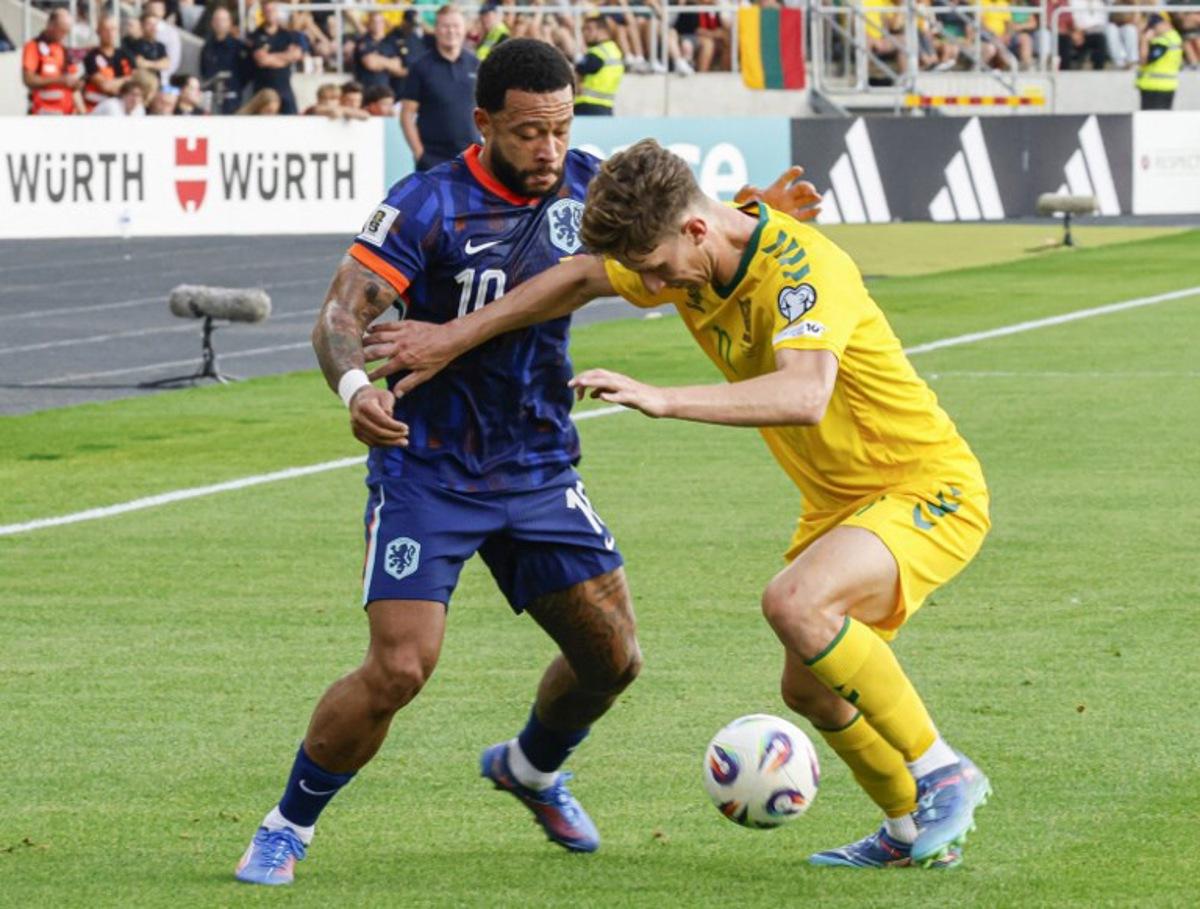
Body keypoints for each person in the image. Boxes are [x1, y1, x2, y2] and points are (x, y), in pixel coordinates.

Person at [232, 38, 819, 887]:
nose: (548, 150)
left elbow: (688, 234)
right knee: (400, 665)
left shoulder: (589, 185)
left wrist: (750, 208)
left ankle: (532, 767)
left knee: (613, 659)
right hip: (426, 467)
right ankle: (288, 823)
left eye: (559, 128)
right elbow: (337, 316)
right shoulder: (426, 205)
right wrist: (356, 387)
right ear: (483, 124)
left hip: (539, 464)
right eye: (527, 134)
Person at [365, 137, 991, 871]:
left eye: (660, 268)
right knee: (812, 690)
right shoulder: (692, 256)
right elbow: (575, 279)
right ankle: (911, 831)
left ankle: (943, 770)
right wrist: (450, 336)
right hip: (842, 504)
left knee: (794, 603)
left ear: (696, 229)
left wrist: (665, 398)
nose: (657, 285)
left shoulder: (805, 270)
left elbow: (804, 393)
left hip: (925, 486)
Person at [400, 5, 480, 171]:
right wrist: (419, 153)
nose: (451, 31)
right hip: (433, 160)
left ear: (464, 29)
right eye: (445, 26)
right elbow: (407, 114)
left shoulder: (476, 65)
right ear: (436, 30)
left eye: (456, 26)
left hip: (472, 159)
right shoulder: (420, 67)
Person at [22, 8, 81, 115]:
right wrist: (59, 80)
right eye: (62, 30)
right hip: (43, 112)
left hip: (67, 114)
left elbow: (74, 88)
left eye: (67, 31)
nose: (64, 35)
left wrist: (83, 112)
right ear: (51, 25)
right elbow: (28, 79)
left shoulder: (65, 50)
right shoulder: (33, 46)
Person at [250, 0, 303, 114]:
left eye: (272, 11)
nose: (270, 14)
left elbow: (296, 55)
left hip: (284, 88)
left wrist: (271, 57)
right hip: (264, 91)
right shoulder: (257, 35)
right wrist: (285, 58)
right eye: (267, 11)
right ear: (263, 13)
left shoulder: (287, 34)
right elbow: (262, 60)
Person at [574, 12, 624, 116]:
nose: (585, 33)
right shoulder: (614, 50)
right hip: (606, 107)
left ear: (602, 31)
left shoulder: (597, 53)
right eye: (583, 30)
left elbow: (577, 74)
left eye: (589, 29)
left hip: (587, 106)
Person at [82, 15, 134, 113]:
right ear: (98, 31)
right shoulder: (91, 56)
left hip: (124, 104)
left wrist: (116, 83)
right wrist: (126, 79)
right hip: (98, 106)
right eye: (106, 29)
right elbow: (106, 86)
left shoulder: (125, 54)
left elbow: (135, 80)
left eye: (113, 29)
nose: (110, 33)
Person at [201, 7, 247, 115]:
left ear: (229, 23)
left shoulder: (238, 46)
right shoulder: (207, 47)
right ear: (212, 23)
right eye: (217, 20)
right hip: (211, 97)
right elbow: (203, 69)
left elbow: (246, 72)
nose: (219, 23)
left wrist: (235, 85)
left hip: (231, 97)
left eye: (223, 20)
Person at [1137, 13, 1183, 109]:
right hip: (1164, 85)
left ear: (1163, 24)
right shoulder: (1174, 37)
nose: (1153, 29)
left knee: (1152, 120)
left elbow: (1144, 60)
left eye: (1154, 26)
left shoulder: (1163, 41)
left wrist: (1144, 40)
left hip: (1156, 87)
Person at [354, 12, 406, 90]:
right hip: (366, 88)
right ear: (369, 24)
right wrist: (389, 62)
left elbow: (397, 67)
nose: (377, 25)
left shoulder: (390, 42)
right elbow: (370, 63)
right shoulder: (363, 41)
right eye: (374, 22)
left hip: (385, 89)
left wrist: (379, 60)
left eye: (380, 22)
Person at [129, 10, 172, 84]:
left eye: (155, 24)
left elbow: (166, 64)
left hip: (157, 83)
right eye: (149, 24)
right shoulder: (134, 43)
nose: (153, 28)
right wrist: (157, 64)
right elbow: (139, 63)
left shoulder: (160, 46)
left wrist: (148, 63)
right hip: (140, 83)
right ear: (142, 25)